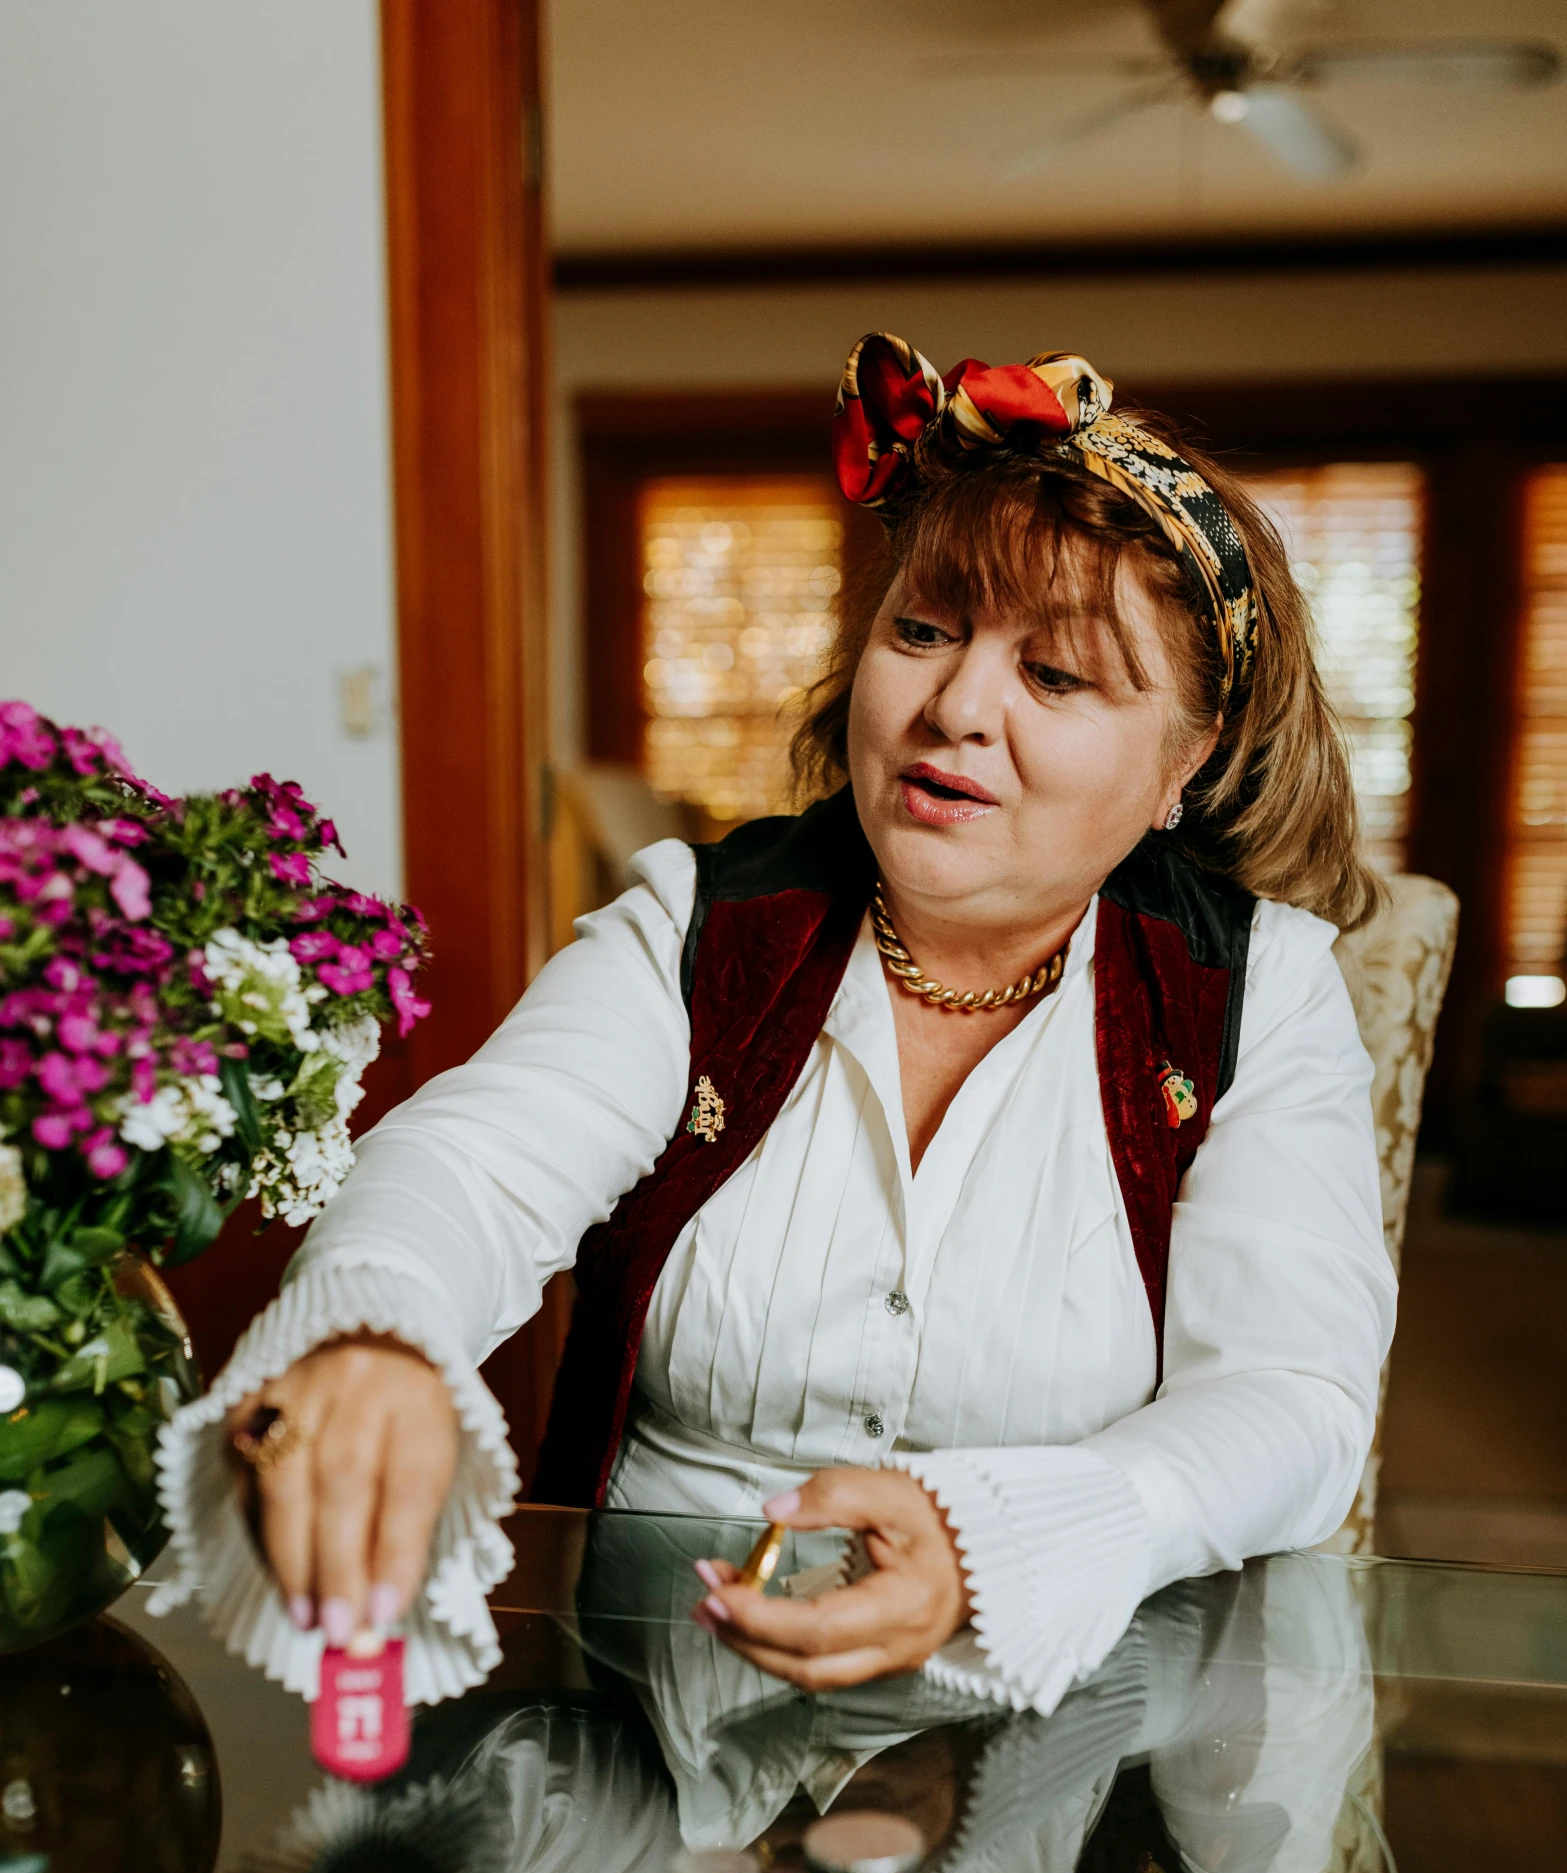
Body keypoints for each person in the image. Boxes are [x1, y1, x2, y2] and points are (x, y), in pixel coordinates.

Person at [158, 333, 1395, 1714]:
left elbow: (1292, 1403)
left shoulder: (1253, 989)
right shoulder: (698, 925)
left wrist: (982, 1538)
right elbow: (466, 1162)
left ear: (1188, 761)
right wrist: (373, 1334)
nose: (952, 708)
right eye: (922, 629)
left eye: (1054, 677)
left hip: (1067, 1731)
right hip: (649, 1735)